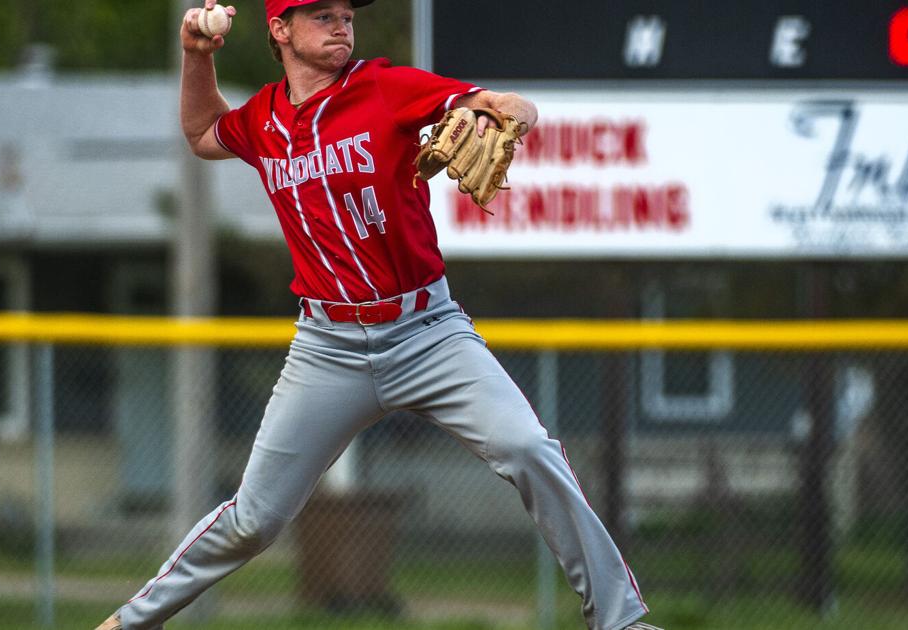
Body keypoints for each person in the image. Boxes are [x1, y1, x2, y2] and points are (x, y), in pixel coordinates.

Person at [97, 1, 659, 628]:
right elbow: (203, 133)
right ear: (280, 31)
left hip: (427, 333)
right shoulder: (264, 120)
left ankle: (624, 622)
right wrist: (197, 56)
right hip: (327, 347)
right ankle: (129, 623)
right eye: (320, 14)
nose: (341, 24)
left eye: (345, 13)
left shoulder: (386, 88)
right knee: (254, 520)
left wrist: (507, 118)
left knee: (529, 450)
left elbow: (509, 103)